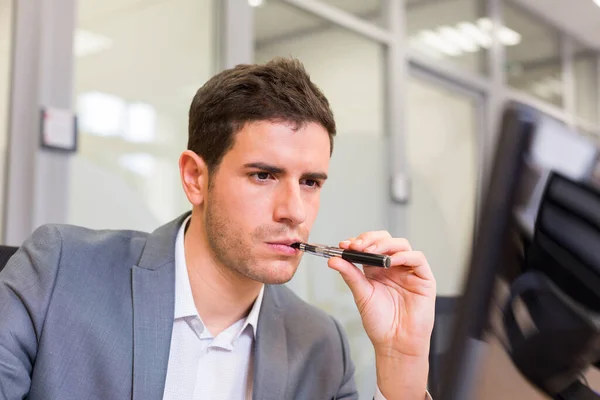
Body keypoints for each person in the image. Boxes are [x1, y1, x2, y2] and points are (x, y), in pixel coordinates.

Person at [0, 58, 435, 400]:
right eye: (263, 175)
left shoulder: (320, 344)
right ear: (195, 178)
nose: (294, 211)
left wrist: (401, 361)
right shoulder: (58, 271)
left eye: (310, 182)